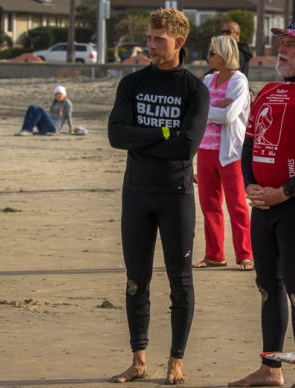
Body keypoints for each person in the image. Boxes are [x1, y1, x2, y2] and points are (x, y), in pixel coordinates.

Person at [107, 7, 209, 385]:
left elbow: (186, 148)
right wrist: (164, 133)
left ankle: (176, 360)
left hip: (176, 194)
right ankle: (138, 359)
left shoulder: (194, 90)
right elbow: (116, 136)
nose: (150, 45)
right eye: (149, 38)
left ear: (179, 42)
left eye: (158, 40)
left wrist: (145, 138)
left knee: (180, 281)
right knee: (137, 280)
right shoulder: (132, 84)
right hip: (136, 193)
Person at [228, 18, 295, 388]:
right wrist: (251, 185)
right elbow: (248, 144)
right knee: (267, 286)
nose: (282, 50)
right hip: (262, 207)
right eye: (281, 43)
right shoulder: (268, 91)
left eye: (292, 45)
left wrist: (283, 191)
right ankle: (271, 368)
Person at [192, 35, 254, 271]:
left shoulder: (239, 80)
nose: (208, 57)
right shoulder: (208, 79)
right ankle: (214, 254)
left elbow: (228, 117)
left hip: (230, 152)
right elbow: (195, 110)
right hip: (205, 150)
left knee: (236, 204)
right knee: (209, 205)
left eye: (212, 53)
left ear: (224, 54)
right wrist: (215, 106)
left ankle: (245, 254)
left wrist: (208, 108)